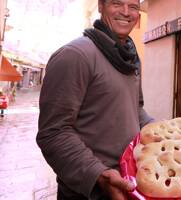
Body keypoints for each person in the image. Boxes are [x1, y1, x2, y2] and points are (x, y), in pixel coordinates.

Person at [36, 0, 154, 199]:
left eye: (133, 6)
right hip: (88, 192)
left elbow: (136, 109)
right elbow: (53, 133)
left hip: (130, 183)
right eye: (117, 3)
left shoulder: (132, 60)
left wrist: (160, 129)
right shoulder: (75, 55)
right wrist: (99, 175)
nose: (126, 12)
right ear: (100, 6)